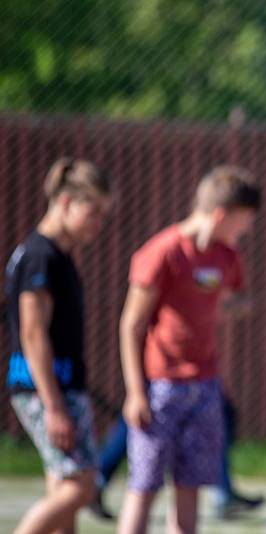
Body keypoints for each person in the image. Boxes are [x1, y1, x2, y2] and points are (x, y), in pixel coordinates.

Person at [116, 165, 261, 534]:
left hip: (205, 385)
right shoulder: (162, 252)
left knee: (190, 487)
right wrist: (135, 392)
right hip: (161, 386)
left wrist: (236, 308)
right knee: (144, 486)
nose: (245, 231)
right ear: (221, 213)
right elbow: (132, 324)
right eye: (243, 222)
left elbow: (219, 302)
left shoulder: (226, 257)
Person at [5, 157, 112, 534]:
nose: (99, 223)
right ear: (66, 202)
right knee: (81, 486)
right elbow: (33, 333)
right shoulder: (40, 256)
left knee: (63, 487)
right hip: (45, 389)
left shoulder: (57, 256)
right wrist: (53, 406)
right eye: (93, 211)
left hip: (61, 386)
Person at [89, 397, 265, 520]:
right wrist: (136, 389)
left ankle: (223, 491)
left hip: (192, 378)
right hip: (164, 375)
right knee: (143, 485)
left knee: (221, 412)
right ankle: (98, 479)